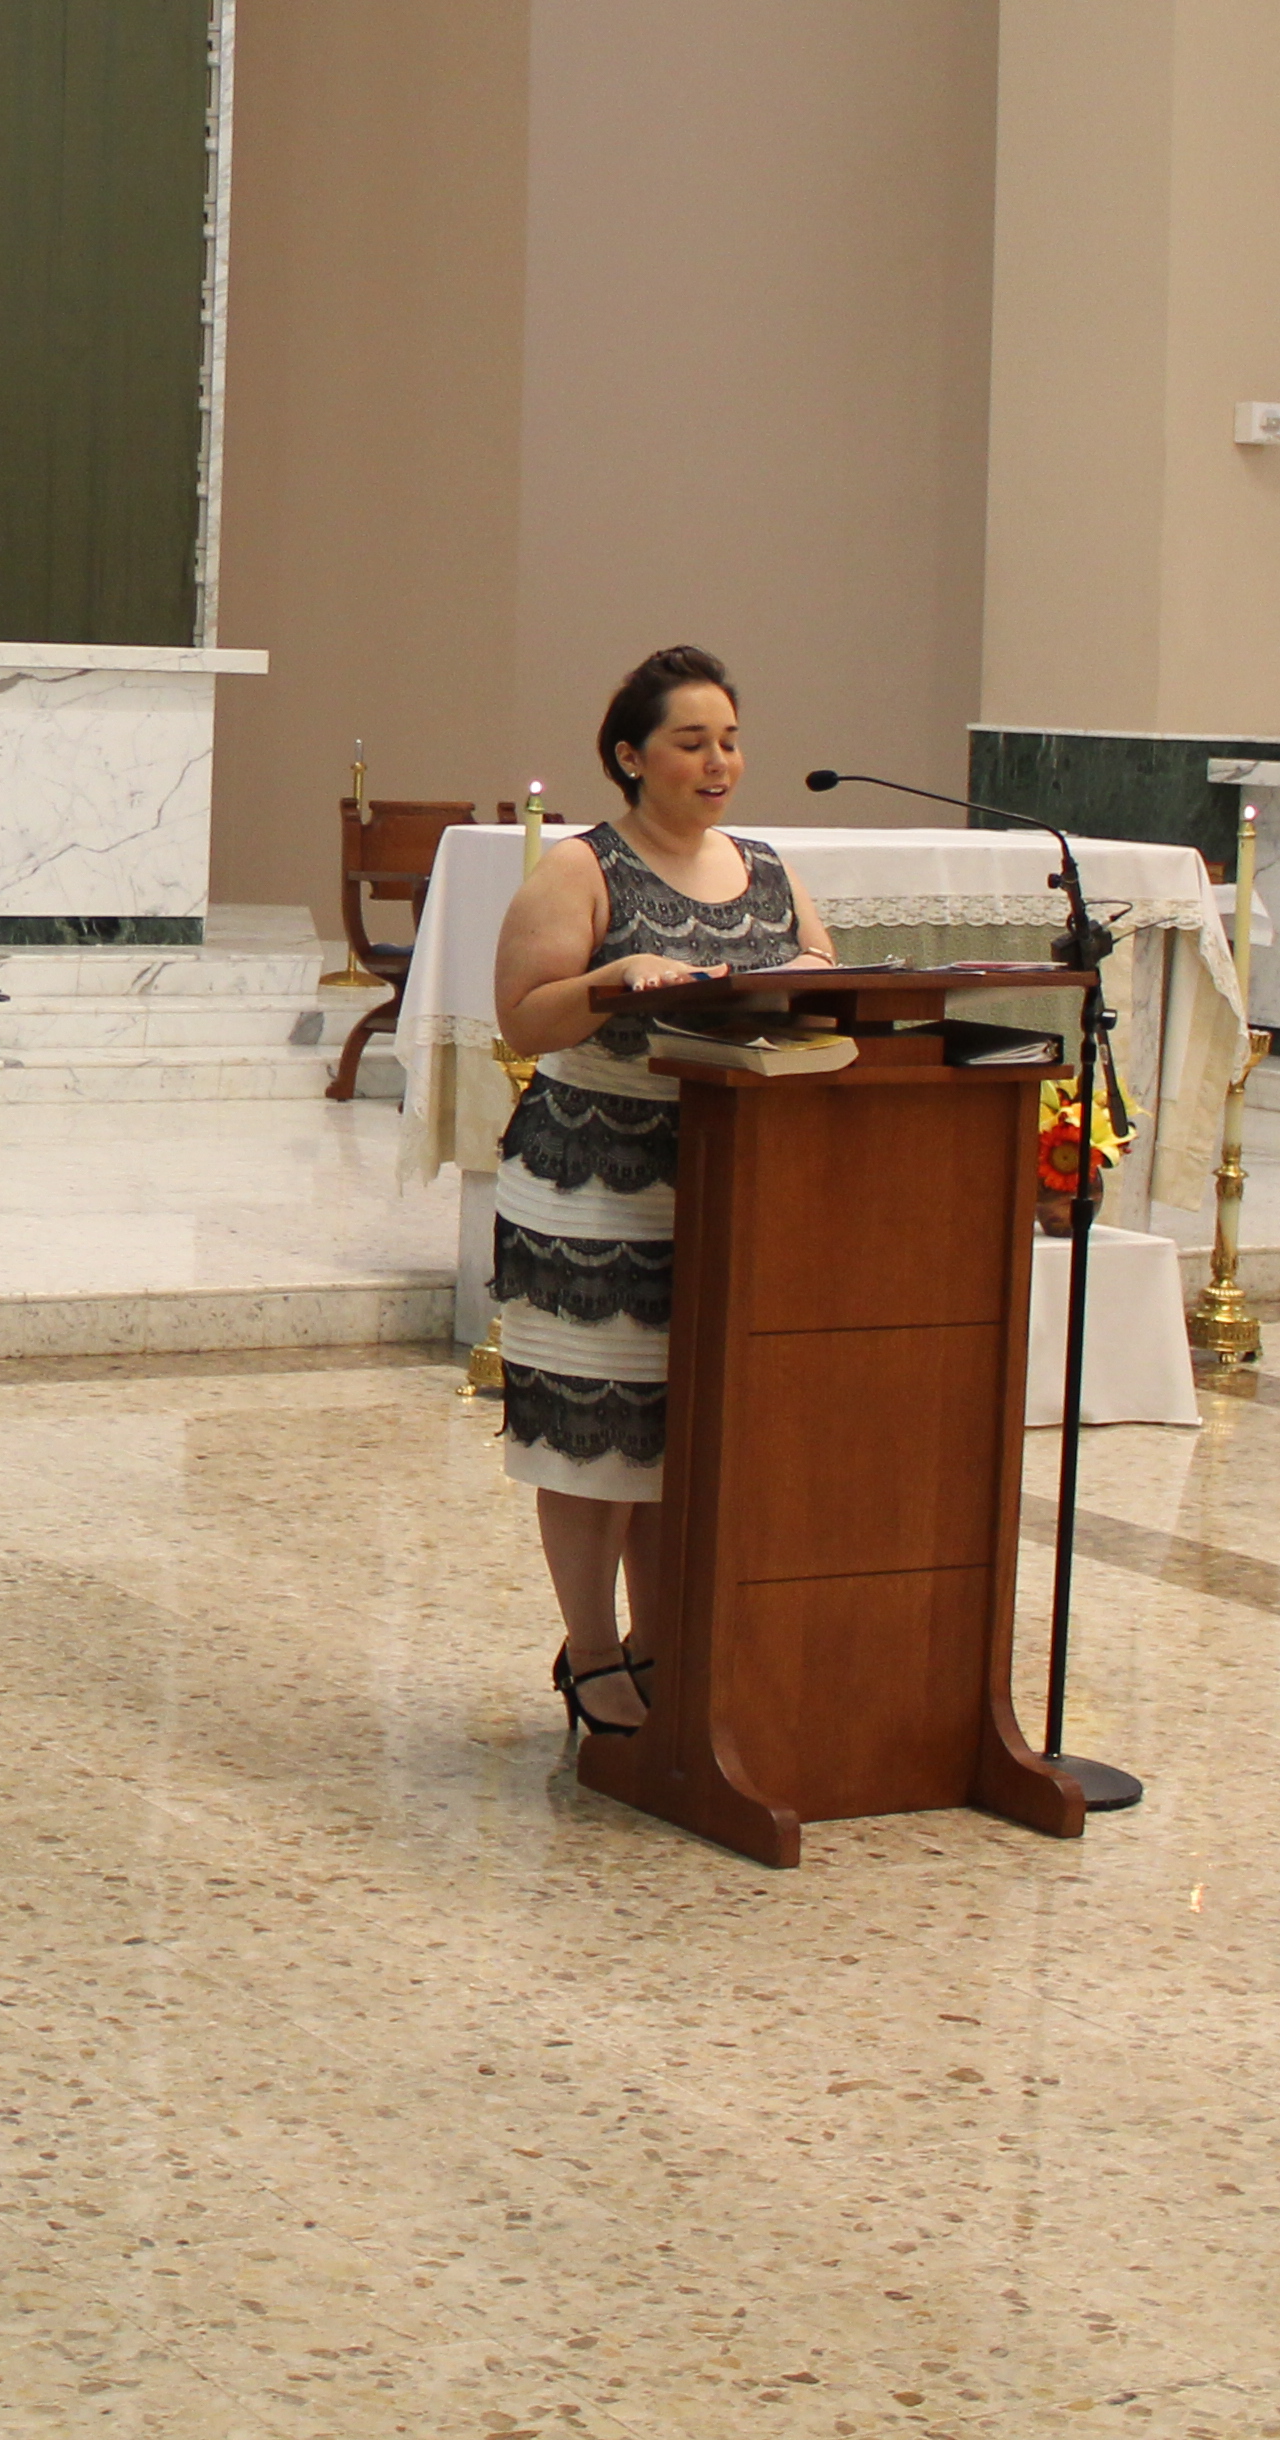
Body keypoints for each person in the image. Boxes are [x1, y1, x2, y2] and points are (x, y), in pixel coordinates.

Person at [483, 645, 837, 1755]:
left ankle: (659, 1642)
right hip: (595, 1187)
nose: (718, 761)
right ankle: (590, 1650)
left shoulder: (770, 870)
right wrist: (604, 982)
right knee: (599, 1440)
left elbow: (824, 984)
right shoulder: (585, 873)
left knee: (682, 1441)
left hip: (731, 1188)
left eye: (729, 739)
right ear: (633, 758)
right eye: (692, 742)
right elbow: (523, 1023)